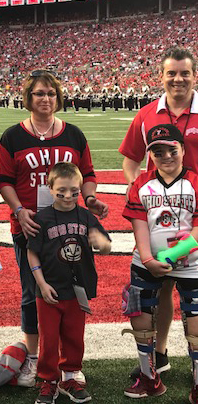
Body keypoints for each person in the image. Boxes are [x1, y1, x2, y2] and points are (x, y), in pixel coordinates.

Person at [0, 69, 108, 387]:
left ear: (57, 97)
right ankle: (34, 358)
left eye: (50, 93)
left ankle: (68, 363)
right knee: (33, 294)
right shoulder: (13, 136)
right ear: (28, 98)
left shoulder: (73, 133)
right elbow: (4, 181)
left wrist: (90, 198)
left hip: (70, 227)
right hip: (31, 228)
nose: (45, 99)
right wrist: (18, 211)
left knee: (71, 293)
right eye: (39, 93)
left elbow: (87, 172)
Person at [119, 46, 198, 380]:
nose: (177, 79)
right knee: (161, 285)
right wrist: (140, 190)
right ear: (162, 76)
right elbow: (130, 159)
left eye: (184, 73)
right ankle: (160, 354)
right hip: (159, 215)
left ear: (194, 75)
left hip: (196, 216)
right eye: (171, 73)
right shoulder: (148, 113)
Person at [122, 124, 198, 402]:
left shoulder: (196, 181)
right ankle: (149, 377)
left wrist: (178, 252)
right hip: (147, 261)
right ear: (149, 155)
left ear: (183, 149)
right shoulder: (141, 184)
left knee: (197, 322)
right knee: (141, 318)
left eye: (171, 149)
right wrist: (148, 259)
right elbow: (139, 225)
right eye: (157, 151)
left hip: (192, 262)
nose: (166, 156)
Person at [27, 162, 111, 404]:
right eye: (61, 190)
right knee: (49, 338)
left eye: (74, 191)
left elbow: (104, 247)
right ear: (50, 188)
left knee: (75, 335)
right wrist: (41, 284)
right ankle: (48, 380)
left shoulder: (85, 215)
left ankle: (71, 374)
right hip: (49, 290)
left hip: (77, 289)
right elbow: (33, 252)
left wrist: (101, 241)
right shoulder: (42, 218)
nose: (67, 196)